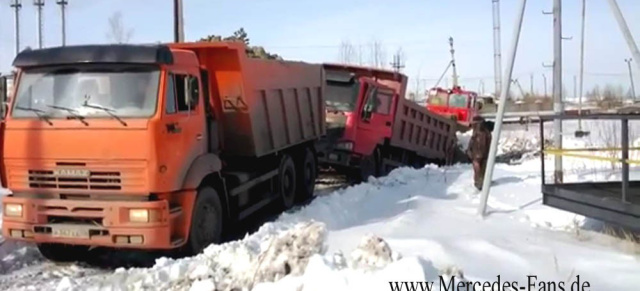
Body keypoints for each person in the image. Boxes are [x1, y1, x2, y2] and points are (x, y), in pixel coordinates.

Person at [466, 116, 492, 190]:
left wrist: (469, 151)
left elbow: (472, 142)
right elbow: (489, 144)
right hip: (484, 154)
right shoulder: (487, 132)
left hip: (476, 154)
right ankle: (482, 182)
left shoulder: (476, 132)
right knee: (483, 168)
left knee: (477, 168)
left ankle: (478, 183)